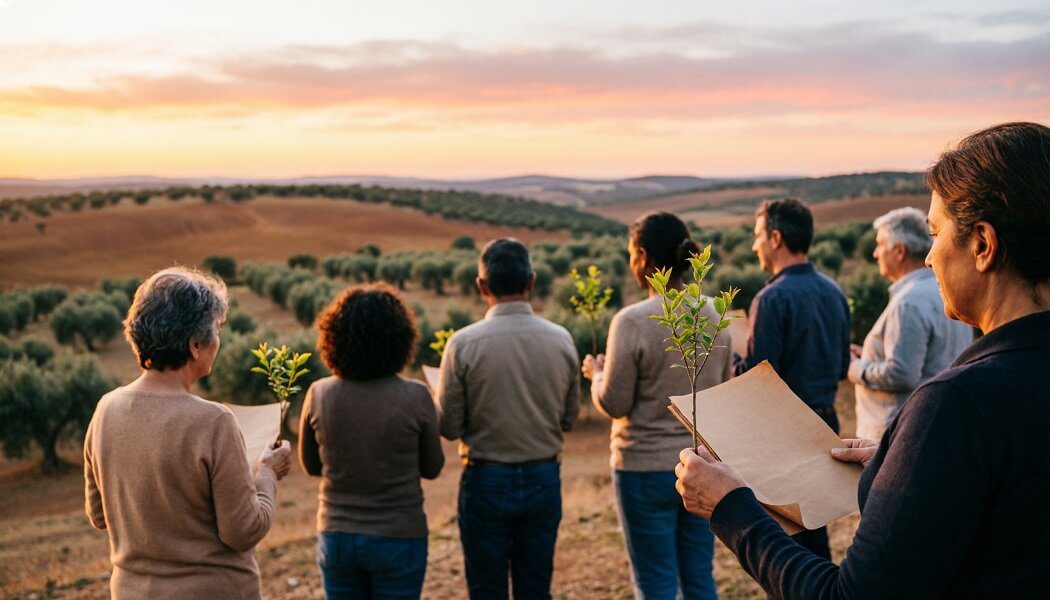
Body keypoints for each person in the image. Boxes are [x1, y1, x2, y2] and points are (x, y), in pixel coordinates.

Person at [676, 121, 1050, 598]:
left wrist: (731, 507)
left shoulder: (956, 405)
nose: (929, 257)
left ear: (982, 245)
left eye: (935, 233)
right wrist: (904, 465)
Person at [83, 267, 293, 599]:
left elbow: (99, 515)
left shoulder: (105, 409)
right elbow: (243, 531)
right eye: (217, 329)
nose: (218, 340)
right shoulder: (214, 422)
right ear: (195, 344)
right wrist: (268, 473)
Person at [582, 212, 730, 600]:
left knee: (655, 583)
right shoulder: (714, 314)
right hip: (701, 463)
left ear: (644, 257)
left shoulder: (631, 321)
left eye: (632, 254)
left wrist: (597, 375)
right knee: (699, 577)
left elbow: (615, 403)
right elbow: (722, 391)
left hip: (643, 469)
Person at [435, 238, 580, 599]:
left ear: (481, 286)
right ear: (531, 281)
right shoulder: (562, 339)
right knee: (535, 588)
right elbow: (569, 418)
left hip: (485, 479)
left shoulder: (462, 344)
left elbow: (449, 427)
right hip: (543, 477)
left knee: (486, 589)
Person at [299, 283, 444, 599]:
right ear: (400, 338)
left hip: (337, 534)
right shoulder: (417, 396)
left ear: (333, 338)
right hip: (400, 536)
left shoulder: (319, 394)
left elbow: (311, 466)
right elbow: (433, 468)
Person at [732, 197, 851, 559]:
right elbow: (842, 366)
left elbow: (756, 382)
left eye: (758, 236)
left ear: (776, 238)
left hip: (785, 436)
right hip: (825, 425)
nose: (754, 245)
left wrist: (731, 355)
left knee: (786, 548)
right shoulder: (834, 292)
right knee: (813, 537)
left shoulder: (771, 299)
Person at [848, 207, 972, 441]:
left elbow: (902, 373)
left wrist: (855, 368)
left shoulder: (908, 302)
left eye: (880, 244)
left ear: (899, 251)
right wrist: (869, 355)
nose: (875, 253)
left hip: (896, 431)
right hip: (937, 419)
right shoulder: (945, 292)